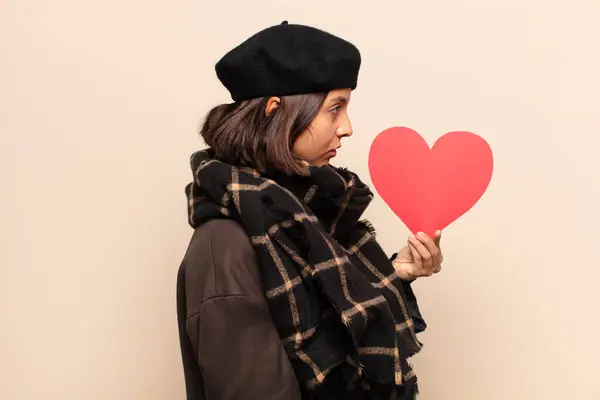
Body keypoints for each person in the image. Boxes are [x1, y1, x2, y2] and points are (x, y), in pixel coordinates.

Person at [176, 21, 443, 400]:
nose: (347, 128)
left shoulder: (305, 218)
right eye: (335, 108)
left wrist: (393, 274)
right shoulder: (226, 246)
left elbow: (327, 327)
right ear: (274, 111)